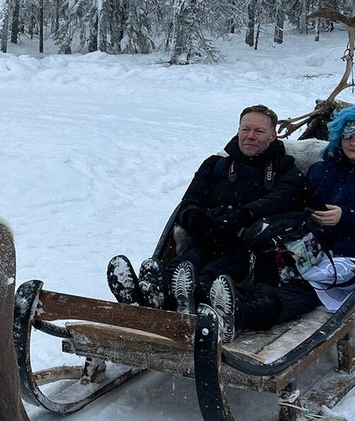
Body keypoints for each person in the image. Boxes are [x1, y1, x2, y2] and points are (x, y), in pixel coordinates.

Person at [206, 104, 355, 342]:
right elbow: (301, 208)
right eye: (346, 137)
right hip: (312, 247)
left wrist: (347, 218)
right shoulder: (324, 170)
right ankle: (223, 301)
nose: (353, 142)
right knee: (268, 262)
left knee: (306, 287)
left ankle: (243, 314)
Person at [108, 105, 306, 311]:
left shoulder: (286, 168)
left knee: (214, 273)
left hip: (249, 245)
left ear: (274, 135)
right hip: (209, 235)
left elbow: (283, 198)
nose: (250, 136)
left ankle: (190, 296)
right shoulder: (216, 164)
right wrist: (197, 221)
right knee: (185, 263)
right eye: (245, 129)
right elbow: (189, 202)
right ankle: (148, 293)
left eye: (259, 131)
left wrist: (243, 215)